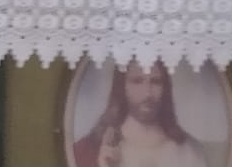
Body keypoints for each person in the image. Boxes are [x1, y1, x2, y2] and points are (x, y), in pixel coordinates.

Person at [74, 62, 209, 167]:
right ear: (122, 87)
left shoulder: (189, 151)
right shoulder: (91, 148)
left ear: (165, 88)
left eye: (156, 82)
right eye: (137, 81)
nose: (147, 93)